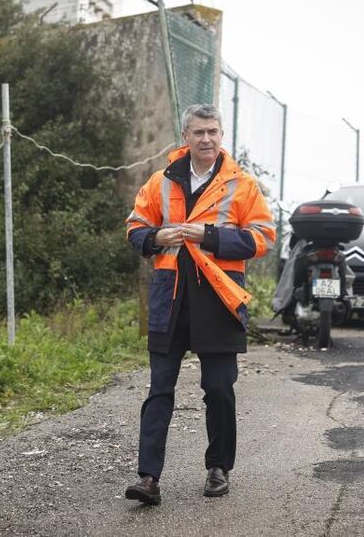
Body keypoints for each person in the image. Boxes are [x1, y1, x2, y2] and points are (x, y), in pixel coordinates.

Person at [124, 104, 276, 504]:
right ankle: (148, 479)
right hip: (169, 297)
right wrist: (158, 238)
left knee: (219, 388)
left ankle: (218, 468)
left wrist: (208, 235)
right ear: (185, 137)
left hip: (219, 298)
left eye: (212, 131)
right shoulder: (160, 181)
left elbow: (263, 236)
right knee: (160, 390)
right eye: (198, 132)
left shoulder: (241, 184)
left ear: (221, 135)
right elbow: (135, 228)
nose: (206, 139)